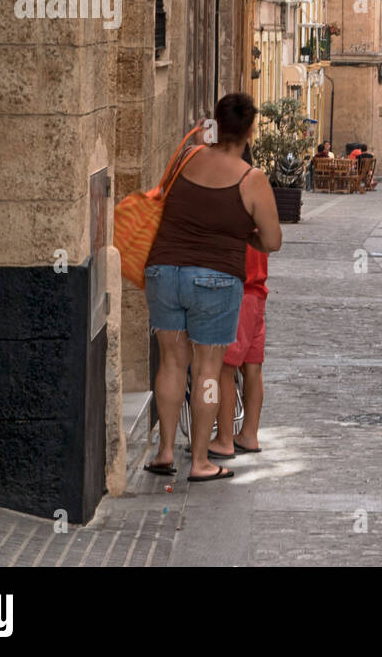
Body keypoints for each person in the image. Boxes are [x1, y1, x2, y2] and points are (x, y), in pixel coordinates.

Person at [142, 93, 282, 483]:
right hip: (215, 279)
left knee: (171, 362)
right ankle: (202, 461)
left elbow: (165, 199)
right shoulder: (250, 179)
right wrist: (243, 238)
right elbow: (272, 240)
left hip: (163, 271)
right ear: (251, 131)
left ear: (215, 123)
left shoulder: (186, 157)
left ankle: (165, 452)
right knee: (207, 370)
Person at [208, 143, 268, 461]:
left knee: (225, 369)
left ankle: (225, 439)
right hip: (258, 293)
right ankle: (250, 435)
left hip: (239, 293)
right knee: (253, 368)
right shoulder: (258, 197)